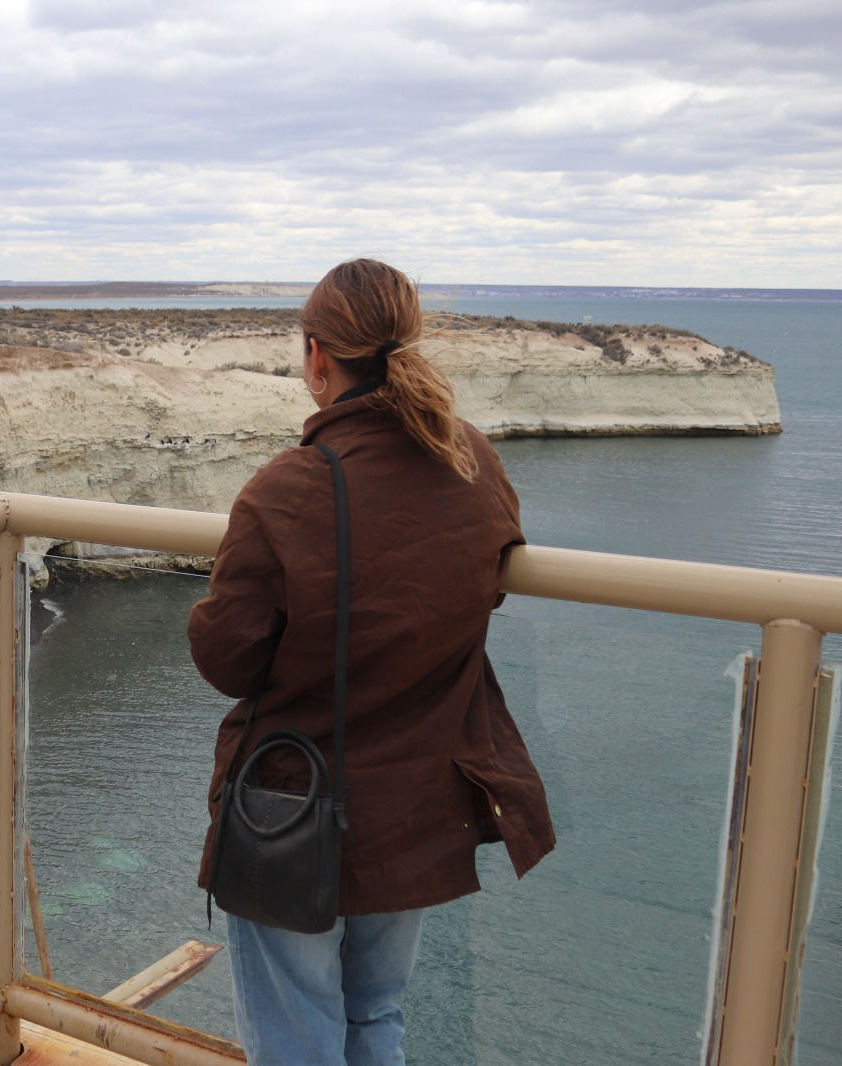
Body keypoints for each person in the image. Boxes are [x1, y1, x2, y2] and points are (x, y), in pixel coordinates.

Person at [188, 258, 555, 1065]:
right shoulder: (472, 460)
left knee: (297, 1036)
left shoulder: (289, 488)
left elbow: (228, 657)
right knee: (376, 1017)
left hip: (294, 806)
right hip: (418, 805)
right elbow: (482, 594)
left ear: (318, 356)